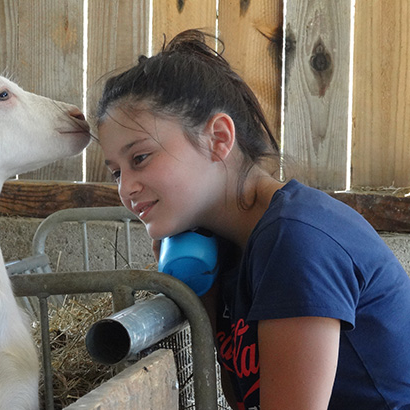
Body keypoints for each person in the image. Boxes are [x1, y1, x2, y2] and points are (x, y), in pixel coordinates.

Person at [95, 29, 410, 410]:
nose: (126, 189)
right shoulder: (231, 244)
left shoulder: (296, 241)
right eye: (116, 172)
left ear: (219, 138)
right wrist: (202, 294)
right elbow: (245, 398)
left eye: (140, 158)